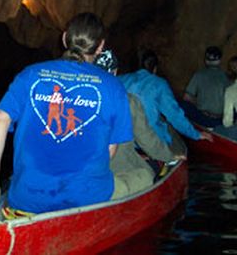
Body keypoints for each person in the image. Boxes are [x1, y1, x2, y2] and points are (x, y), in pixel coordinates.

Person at [0, 13, 133, 214]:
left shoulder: (30, 75)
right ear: (101, 47)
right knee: (142, 178)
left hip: (27, 199)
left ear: (65, 38)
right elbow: (110, 152)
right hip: (88, 197)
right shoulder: (114, 87)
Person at [94, 49, 184, 199]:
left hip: (79, 170)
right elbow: (147, 140)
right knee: (148, 173)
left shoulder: (75, 99)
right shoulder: (128, 101)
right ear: (115, 72)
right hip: (118, 170)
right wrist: (171, 157)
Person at [118, 49, 211, 155]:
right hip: (150, 142)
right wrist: (196, 134)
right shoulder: (159, 84)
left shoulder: (120, 80)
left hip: (123, 141)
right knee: (168, 130)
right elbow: (174, 115)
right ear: (155, 68)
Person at [181, 46, 230, 127]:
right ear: (220, 60)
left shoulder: (199, 75)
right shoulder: (226, 77)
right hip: (220, 120)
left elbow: (186, 97)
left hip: (203, 118)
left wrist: (199, 103)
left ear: (206, 60)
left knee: (181, 104)